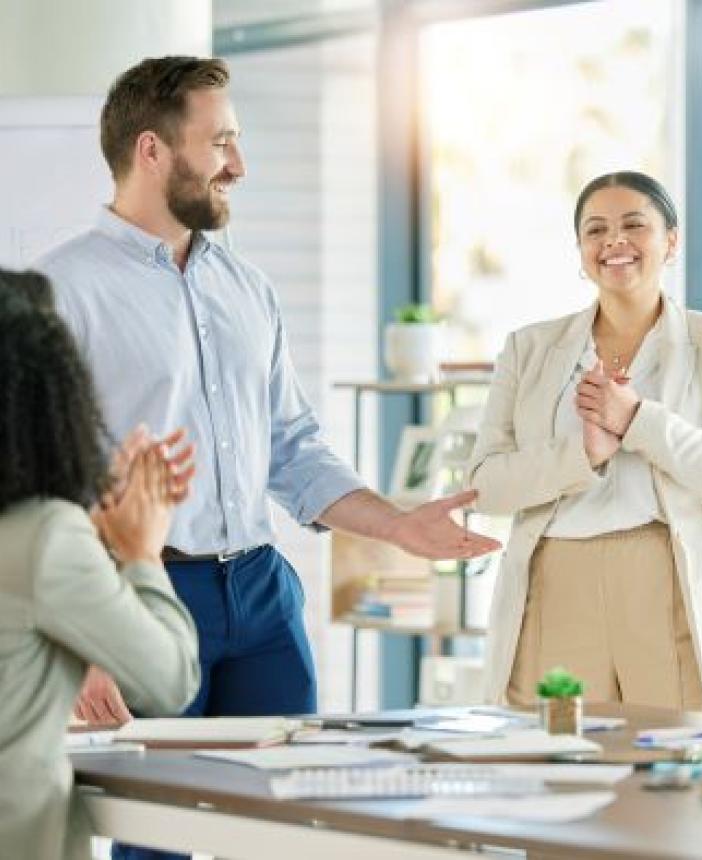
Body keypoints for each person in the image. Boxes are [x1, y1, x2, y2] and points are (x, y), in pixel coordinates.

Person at [36, 57, 498, 769]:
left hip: (261, 593)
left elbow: (293, 447)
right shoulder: (62, 292)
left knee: (288, 811)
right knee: (156, 834)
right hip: (143, 594)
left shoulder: (247, 288)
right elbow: (39, 490)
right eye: (220, 141)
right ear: (151, 150)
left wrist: (399, 526)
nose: (239, 164)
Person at [468, 171, 702, 712]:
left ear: (671, 241)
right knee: (559, 772)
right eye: (596, 230)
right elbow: (485, 487)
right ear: (581, 250)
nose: (614, 241)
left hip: (674, 578)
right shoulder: (528, 348)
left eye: (635, 224)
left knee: (684, 775)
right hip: (556, 582)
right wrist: (581, 455)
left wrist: (639, 421)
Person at [0, 273, 200, 860]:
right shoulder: (45, 538)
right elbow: (168, 682)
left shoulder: (45, 538)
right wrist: (140, 550)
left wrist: (95, 526)